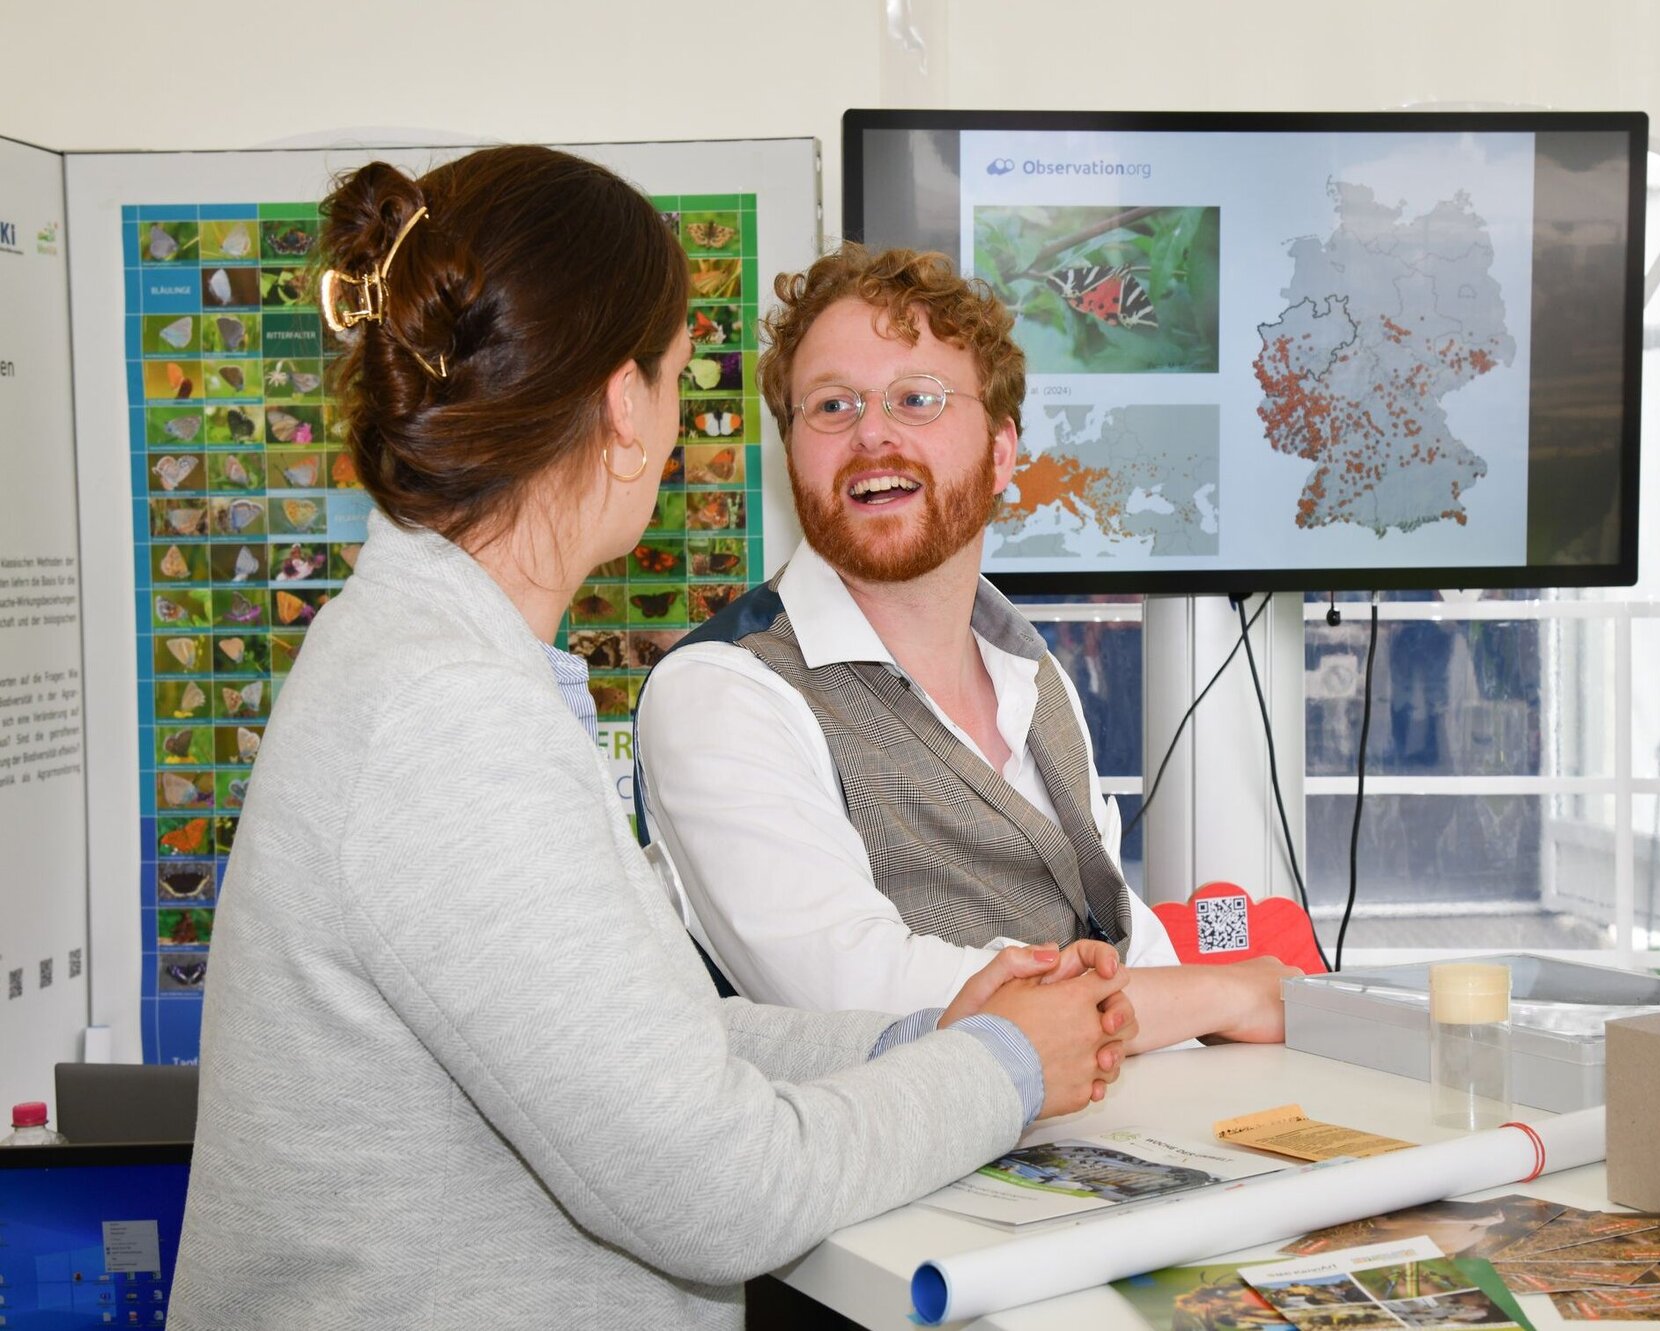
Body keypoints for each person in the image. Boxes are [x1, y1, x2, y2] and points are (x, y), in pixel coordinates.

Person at [166, 150, 1134, 1331]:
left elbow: (648, 1041)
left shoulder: (446, 663)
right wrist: (1002, 1064)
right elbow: (719, 1190)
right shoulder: (445, 714)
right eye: (677, 381)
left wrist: (922, 1034)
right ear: (623, 408)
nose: (679, 431)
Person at [634, 245, 1294, 1051]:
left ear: (1002, 455)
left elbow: (1119, 931)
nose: (871, 432)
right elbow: (859, 994)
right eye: (831, 406)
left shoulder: (1034, 676)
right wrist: (1227, 991)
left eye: (917, 398)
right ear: (793, 454)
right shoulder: (718, 692)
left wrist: (1228, 1003)